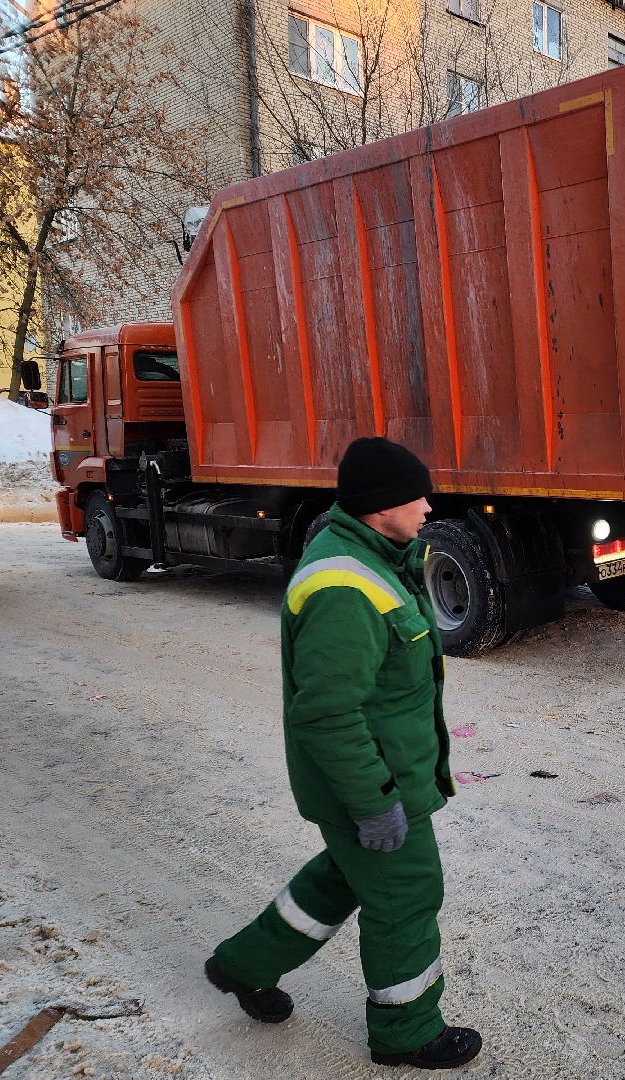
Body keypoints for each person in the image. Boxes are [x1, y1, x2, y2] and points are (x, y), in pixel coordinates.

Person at [205, 436, 480, 1070]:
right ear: (380, 505)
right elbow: (327, 715)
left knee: (344, 877)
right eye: (416, 495)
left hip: (383, 776)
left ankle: (244, 964)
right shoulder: (343, 588)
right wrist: (376, 802)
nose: (428, 506)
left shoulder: (377, 557)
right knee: (405, 894)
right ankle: (406, 1034)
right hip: (372, 786)